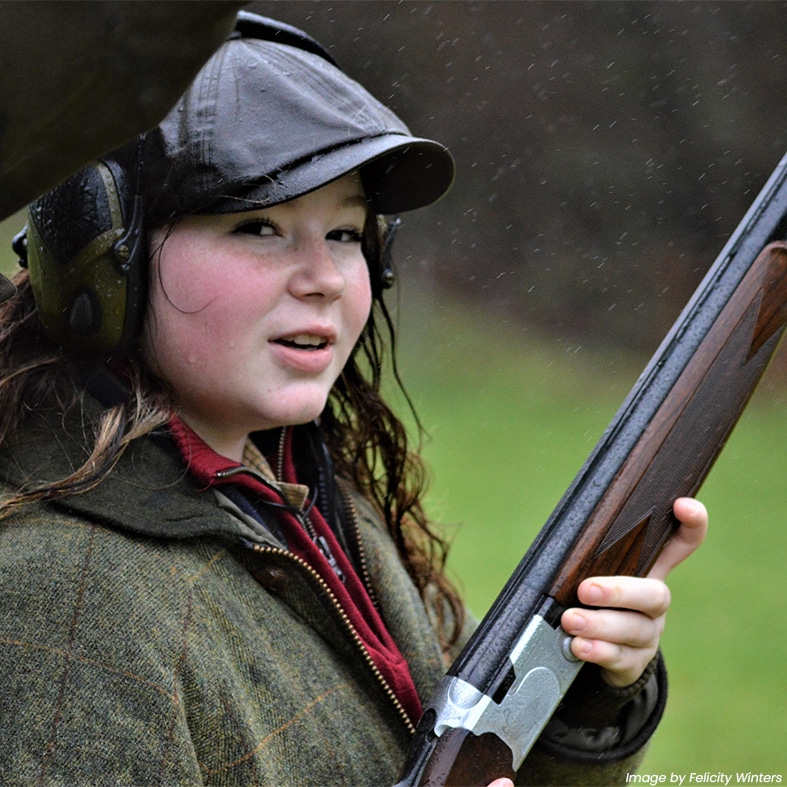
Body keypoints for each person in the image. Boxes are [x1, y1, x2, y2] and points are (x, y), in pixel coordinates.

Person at [0, 11, 706, 786]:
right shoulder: (62, 596)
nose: (327, 277)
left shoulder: (312, 503)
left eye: (345, 233)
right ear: (102, 259)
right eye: (258, 227)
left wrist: (593, 686)